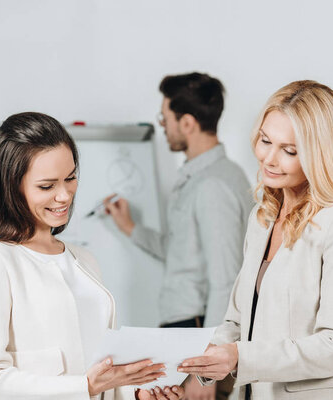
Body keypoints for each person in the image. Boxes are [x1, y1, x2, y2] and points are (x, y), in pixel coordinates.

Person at [0, 112, 185, 400]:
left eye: (71, 178)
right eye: (47, 186)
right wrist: (85, 387)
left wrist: (137, 393)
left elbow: (99, 369)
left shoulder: (83, 259)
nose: (64, 195)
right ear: (12, 186)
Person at [178, 80, 333, 400]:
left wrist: (240, 357)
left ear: (318, 154)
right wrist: (197, 361)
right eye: (265, 141)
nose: (269, 159)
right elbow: (237, 318)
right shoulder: (264, 216)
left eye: (289, 151)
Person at [104, 72, 253, 400]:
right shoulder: (199, 179)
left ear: (187, 123)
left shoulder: (213, 185)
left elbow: (225, 279)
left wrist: (206, 373)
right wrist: (131, 228)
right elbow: (181, 251)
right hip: (186, 332)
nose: (163, 126)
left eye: (165, 118)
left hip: (197, 332)